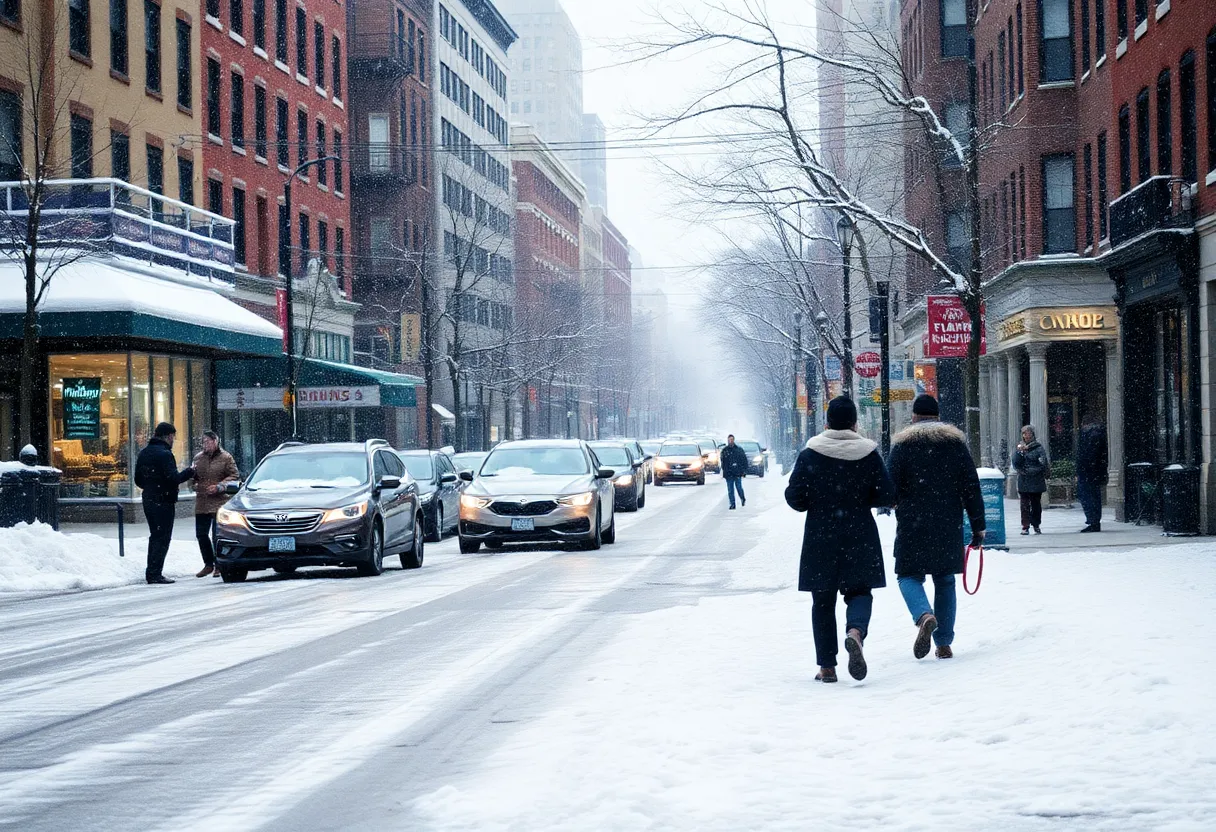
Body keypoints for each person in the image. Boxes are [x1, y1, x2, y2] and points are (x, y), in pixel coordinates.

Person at [785, 397, 895, 683]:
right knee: (859, 592)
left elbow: (795, 499)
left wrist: (817, 498)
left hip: (821, 536)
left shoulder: (810, 454)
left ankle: (827, 666)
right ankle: (855, 632)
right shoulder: (868, 454)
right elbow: (886, 495)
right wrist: (860, 498)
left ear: (827, 422)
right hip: (860, 533)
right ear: (855, 423)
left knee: (822, 601)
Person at [887, 394, 984, 661]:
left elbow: (889, 486)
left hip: (911, 523)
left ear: (915, 417)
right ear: (937, 416)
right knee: (944, 581)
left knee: (908, 576)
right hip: (947, 522)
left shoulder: (902, 446)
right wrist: (979, 526)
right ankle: (943, 643)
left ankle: (923, 615)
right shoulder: (955, 444)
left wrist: (894, 502)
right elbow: (971, 487)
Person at [134, 422, 195, 585]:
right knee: (162, 537)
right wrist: (190, 472)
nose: (173, 440)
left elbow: (138, 479)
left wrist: (150, 486)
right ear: (168, 436)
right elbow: (174, 478)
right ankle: (155, 573)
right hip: (164, 500)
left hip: (148, 499)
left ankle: (152, 571)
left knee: (155, 535)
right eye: (173, 437)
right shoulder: (165, 454)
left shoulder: (144, 453)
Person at [191, 430, 240, 577]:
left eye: (208, 441)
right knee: (201, 534)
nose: (205, 444)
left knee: (216, 535)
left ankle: (219, 564)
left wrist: (220, 487)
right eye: (203, 442)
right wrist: (195, 485)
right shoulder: (198, 458)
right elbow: (192, 476)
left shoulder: (226, 458)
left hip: (219, 501)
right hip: (202, 502)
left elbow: (234, 476)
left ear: (215, 441)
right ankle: (208, 563)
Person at [1012, 425, 1049, 535]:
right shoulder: (1019, 447)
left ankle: (1036, 524)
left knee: (1036, 504)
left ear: (1033, 435)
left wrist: (1032, 469)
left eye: (1029, 434)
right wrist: (1020, 454)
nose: (1027, 436)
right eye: (1025, 434)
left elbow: (1043, 462)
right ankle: (1025, 525)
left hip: (1036, 480)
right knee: (1024, 505)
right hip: (1024, 480)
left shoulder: (1038, 447)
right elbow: (1015, 463)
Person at [1076, 418, 1108, 533]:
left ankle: (1093, 521)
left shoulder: (1090, 436)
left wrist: (1082, 469)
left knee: (1088, 497)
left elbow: (1088, 456)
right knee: (1093, 497)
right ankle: (1094, 521)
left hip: (1088, 473)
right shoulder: (1097, 435)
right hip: (1093, 472)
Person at [720, 434, 749, 509]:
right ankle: (732, 504)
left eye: (732, 439)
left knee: (739, 487)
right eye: (729, 440)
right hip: (729, 474)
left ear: (734, 440)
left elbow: (744, 461)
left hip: (737, 473)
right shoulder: (725, 451)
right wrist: (725, 471)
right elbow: (723, 462)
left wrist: (744, 471)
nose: (730, 441)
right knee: (730, 490)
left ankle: (742, 498)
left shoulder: (739, 450)